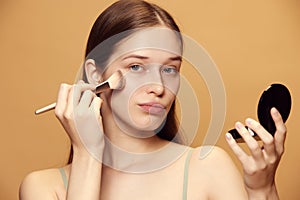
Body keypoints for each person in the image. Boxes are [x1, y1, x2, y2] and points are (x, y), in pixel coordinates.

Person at [19, 0, 287, 199]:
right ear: (95, 74)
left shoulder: (208, 168)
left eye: (170, 69)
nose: (158, 87)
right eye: (136, 67)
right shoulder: (43, 188)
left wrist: (262, 190)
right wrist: (87, 153)